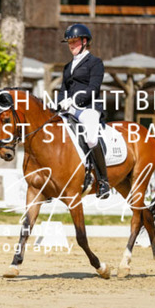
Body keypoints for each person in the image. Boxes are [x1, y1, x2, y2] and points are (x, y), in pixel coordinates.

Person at [57, 23, 110, 199]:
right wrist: (60, 102)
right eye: (69, 42)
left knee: (91, 138)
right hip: (70, 108)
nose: (71, 45)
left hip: (88, 107)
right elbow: (63, 89)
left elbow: (93, 88)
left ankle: (103, 181)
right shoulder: (67, 67)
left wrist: (74, 100)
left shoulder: (95, 63)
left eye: (74, 41)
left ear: (85, 41)